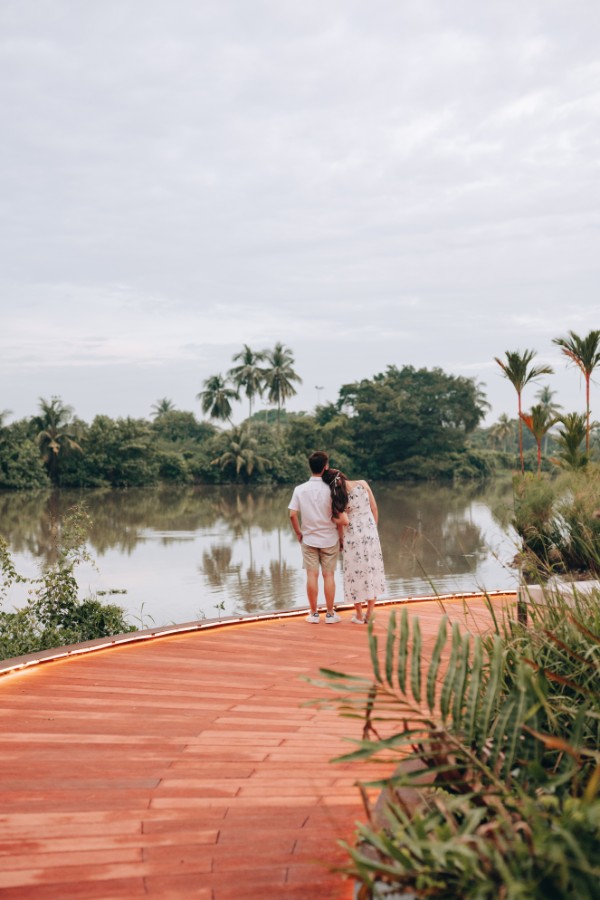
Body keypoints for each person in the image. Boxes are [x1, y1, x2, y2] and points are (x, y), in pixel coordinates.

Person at [322, 468, 385, 624]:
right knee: (371, 570)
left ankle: (358, 615)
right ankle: (370, 614)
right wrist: (373, 529)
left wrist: (340, 537)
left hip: (352, 537)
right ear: (342, 474)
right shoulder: (363, 484)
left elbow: (343, 522)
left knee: (354, 573)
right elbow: (374, 508)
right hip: (370, 534)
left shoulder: (337, 496)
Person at [288, 451, 343, 624]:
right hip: (330, 538)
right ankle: (329, 614)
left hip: (309, 539)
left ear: (310, 467)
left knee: (312, 575)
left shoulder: (300, 489)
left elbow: (292, 514)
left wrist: (299, 533)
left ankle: (313, 614)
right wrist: (341, 539)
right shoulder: (331, 489)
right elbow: (339, 515)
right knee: (329, 576)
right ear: (325, 466)